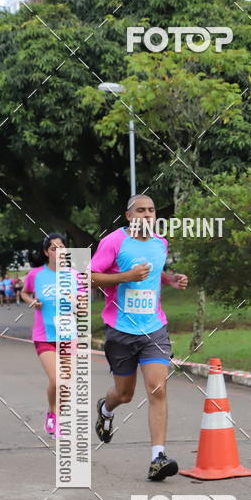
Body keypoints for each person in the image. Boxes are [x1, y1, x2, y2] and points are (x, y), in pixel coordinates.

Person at [90, 194, 188, 481]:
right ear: (129, 216)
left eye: (151, 210)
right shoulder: (114, 242)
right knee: (124, 394)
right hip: (120, 329)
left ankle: (157, 457)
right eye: (140, 211)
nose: (147, 215)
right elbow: (89, 275)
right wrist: (126, 276)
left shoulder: (160, 243)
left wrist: (172, 279)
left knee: (157, 388)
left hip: (153, 328)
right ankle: (106, 409)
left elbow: (154, 274)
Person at [21, 233, 78, 437]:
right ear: (46, 252)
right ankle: (52, 414)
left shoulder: (74, 275)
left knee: (66, 382)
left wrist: (76, 301)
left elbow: (81, 303)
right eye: (54, 249)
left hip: (68, 334)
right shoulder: (36, 275)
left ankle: (58, 418)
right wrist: (32, 302)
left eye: (62, 248)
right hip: (44, 335)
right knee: (57, 380)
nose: (59, 252)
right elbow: (24, 292)